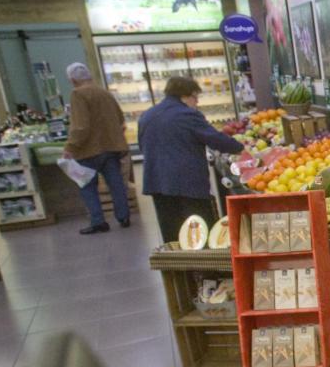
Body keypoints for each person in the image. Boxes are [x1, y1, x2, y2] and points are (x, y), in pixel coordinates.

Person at [138, 76, 243, 243]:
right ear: (185, 96)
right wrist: (241, 148)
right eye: (196, 97)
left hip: (157, 182)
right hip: (187, 183)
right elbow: (214, 138)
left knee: (171, 229)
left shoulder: (147, 115)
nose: (197, 102)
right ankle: (204, 266)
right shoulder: (187, 114)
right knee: (198, 227)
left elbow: (143, 146)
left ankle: (177, 266)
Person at [62, 62, 131, 235]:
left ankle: (98, 221)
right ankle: (123, 216)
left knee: (87, 185)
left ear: (72, 80)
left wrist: (70, 146)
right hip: (111, 147)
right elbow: (120, 118)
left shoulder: (77, 94)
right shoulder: (104, 92)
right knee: (116, 184)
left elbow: (81, 126)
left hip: (88, 150)